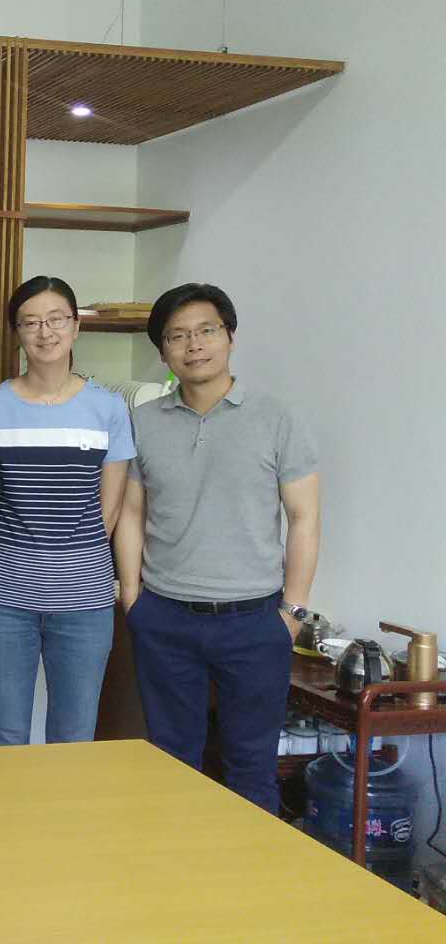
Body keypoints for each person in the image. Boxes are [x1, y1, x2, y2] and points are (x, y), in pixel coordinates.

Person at [114, 283, 320, 813]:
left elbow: (304, 517)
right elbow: (132, 512)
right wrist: (132, 596)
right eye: (177, 336)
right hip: (164, 617)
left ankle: (251, 868)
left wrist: (293, 612)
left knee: (251, 768)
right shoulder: (144, 422)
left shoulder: (276, 418)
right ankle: (176, 863)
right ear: (163, 351)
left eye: (206, 330)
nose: (194, 345)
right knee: (170, 763)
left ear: (230, 337)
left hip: (254, 621)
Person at [0, 277, 135, 745]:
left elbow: (109, 512)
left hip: (84, 600)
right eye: (30, 322)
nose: (45, 332)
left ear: (76, 326)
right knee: (4, 733)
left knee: (74, 735)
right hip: (3, 598)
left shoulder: (108, 408)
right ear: (17, 333)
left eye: (56, 319)